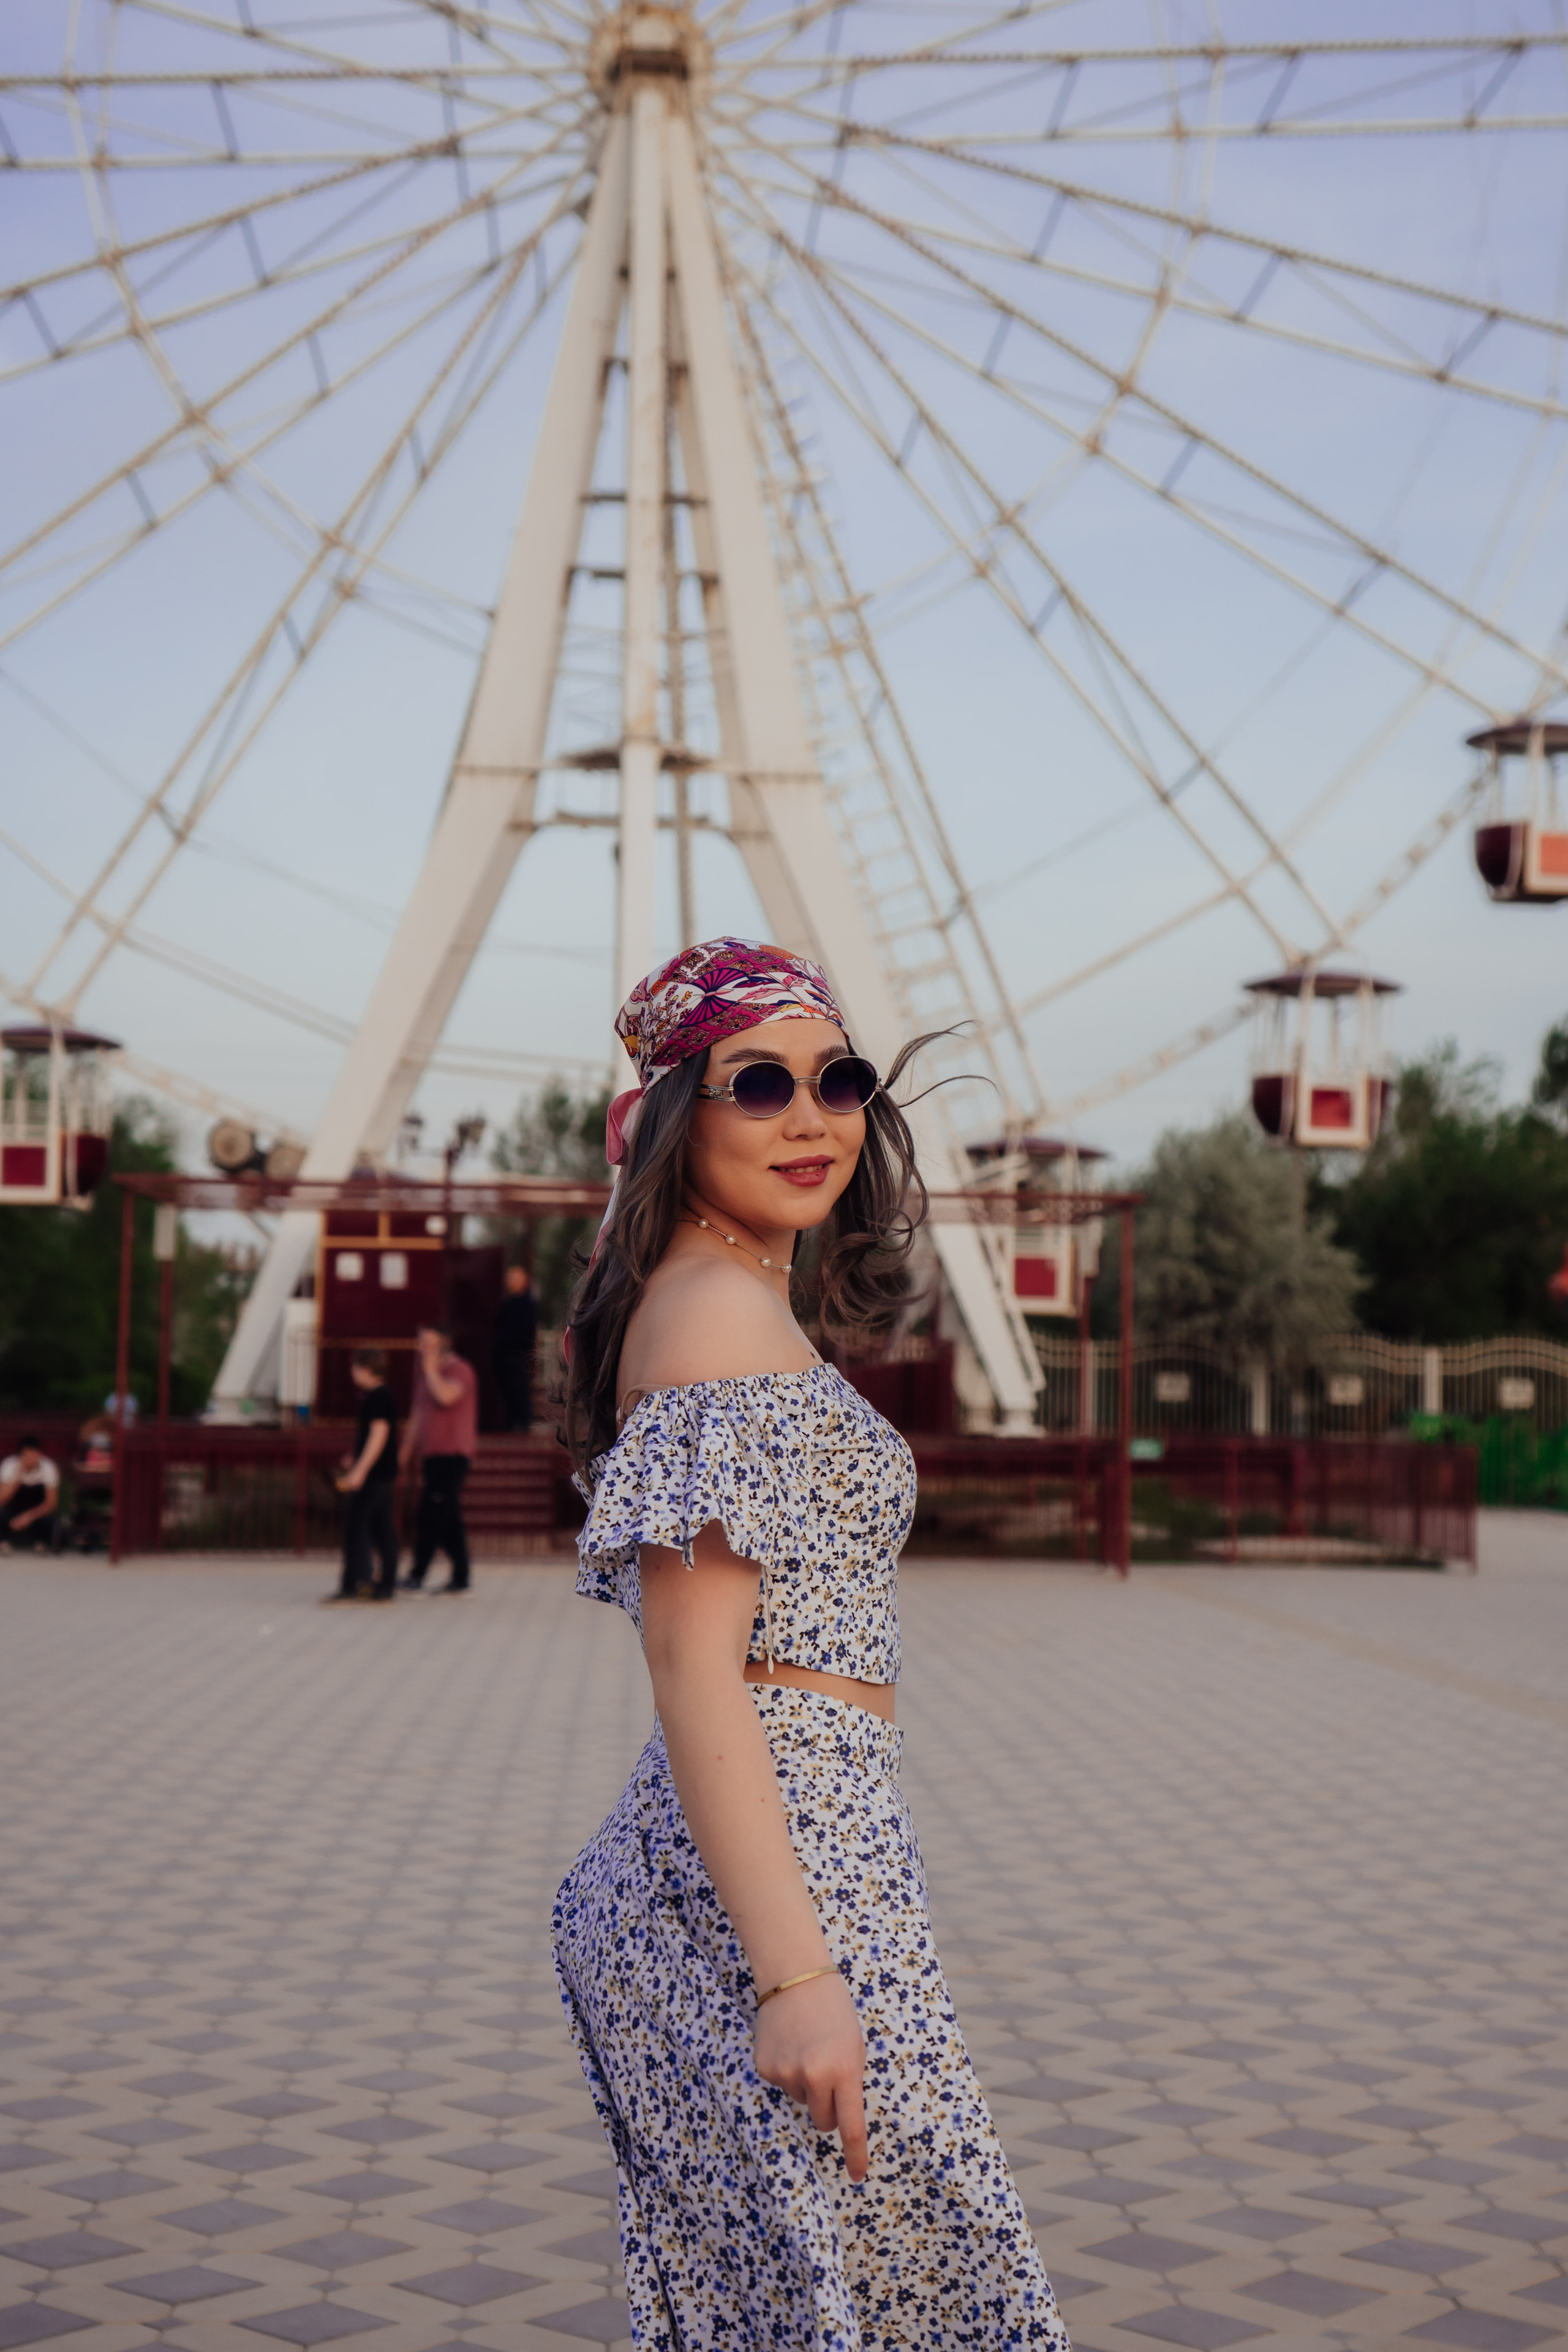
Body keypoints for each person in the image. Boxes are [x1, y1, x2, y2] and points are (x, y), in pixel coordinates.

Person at [552, 939, 1069, 2352]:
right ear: (673, 1114)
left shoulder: (723, 1298)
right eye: (757, 1080)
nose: (808, 1113)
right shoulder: (718, 1318)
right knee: (890, 2284)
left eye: (836, 1078)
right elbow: (690, 1664)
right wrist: (793, 1974)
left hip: (802, 1842)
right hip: (771, 1880)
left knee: (842, 2292)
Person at [398, 1324, 477, 1594]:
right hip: (431, 1457)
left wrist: (431, 1369)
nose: (422, 1349)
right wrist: (404, 1455)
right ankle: (461, 1575)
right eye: (421, 1343)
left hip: (452, 1455)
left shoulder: (460, 1370)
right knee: (447, 1517)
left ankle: (418, 1573)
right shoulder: (424, 1377)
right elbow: (417, 1417)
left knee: (430, 1514)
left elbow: (446, 1397)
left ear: (443, 1345)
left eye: (428, 1344)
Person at [323, 1348, 399, 1605]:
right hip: (382, 1474)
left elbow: (379, 1435)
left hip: (374, 1476)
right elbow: (371, 1437)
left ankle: (355, 1584)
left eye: (354, 1368)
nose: (352, 1373)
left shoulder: (377, 1398)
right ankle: (384, 1585)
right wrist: (354, 1458)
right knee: (382, 1529)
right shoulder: (378, 1396)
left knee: (356, 1526)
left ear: (367, 1370)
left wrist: (359, 1471)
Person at [493, 1262, 538, 1433]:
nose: (510, 1281)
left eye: (515, 1278)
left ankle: (525, 1424)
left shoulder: (527, 1304)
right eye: (509, 1278)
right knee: (507, 1391)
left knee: (519, 1390)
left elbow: (525, 1332)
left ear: (525, 1281)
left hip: (517, 1356)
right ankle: (510, 1423)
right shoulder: (508, 1303)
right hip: (504, 1356)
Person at [0, 1438, 61, 1553]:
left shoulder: (49, 1467)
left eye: (35, 1456)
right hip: (14, 1506)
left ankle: (40, 1542)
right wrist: (18, 1476)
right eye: (27, 1456)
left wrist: (28, 1517)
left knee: (51, 1517)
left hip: (37, 1508)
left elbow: (51, 1503)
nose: (31, 1460)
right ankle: (4, 1541)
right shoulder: (9, 1465)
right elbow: (2, 1499)